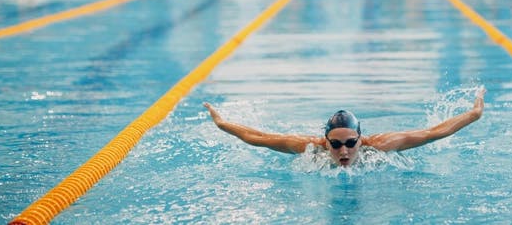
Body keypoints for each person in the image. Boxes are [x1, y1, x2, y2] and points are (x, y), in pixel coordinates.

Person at [203, 89, 485, 168]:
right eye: (335, 145)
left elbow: (432, 133)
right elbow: (259, 138)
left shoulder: (381, 145)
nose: (343, 151)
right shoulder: (310, 148)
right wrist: (222, 123)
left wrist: (472, 115)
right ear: (325, 142)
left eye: (351, 143)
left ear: (361, 140)